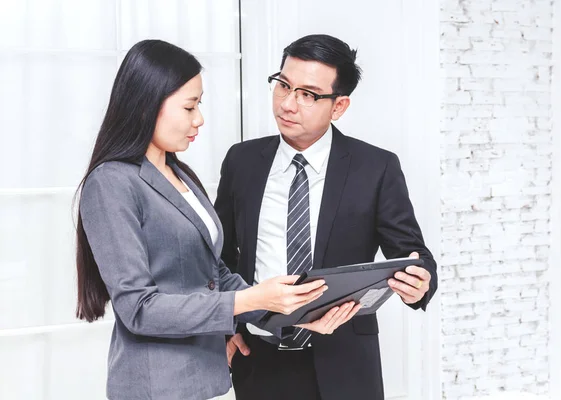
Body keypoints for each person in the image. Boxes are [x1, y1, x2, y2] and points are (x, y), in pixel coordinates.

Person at [75, 39, 353, 400]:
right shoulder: (111, 183)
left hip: (208, 378)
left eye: (199, 104)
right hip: (155, 386)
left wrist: (292, 313)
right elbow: (139, 309)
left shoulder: (180, 173)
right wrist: (252, 300)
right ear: (147, 105)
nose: (199, 119)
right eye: (189, 106)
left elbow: (215, 275)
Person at [214, 34, 438, 400]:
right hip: (260, 359)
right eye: (283, 85)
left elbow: (414, 253)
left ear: (339, 106)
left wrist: (421, 281)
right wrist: (226, 328)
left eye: (308, 94)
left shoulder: (376, 167)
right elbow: (219, 258)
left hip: (346, 361)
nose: (288, 104)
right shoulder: (242, 161)